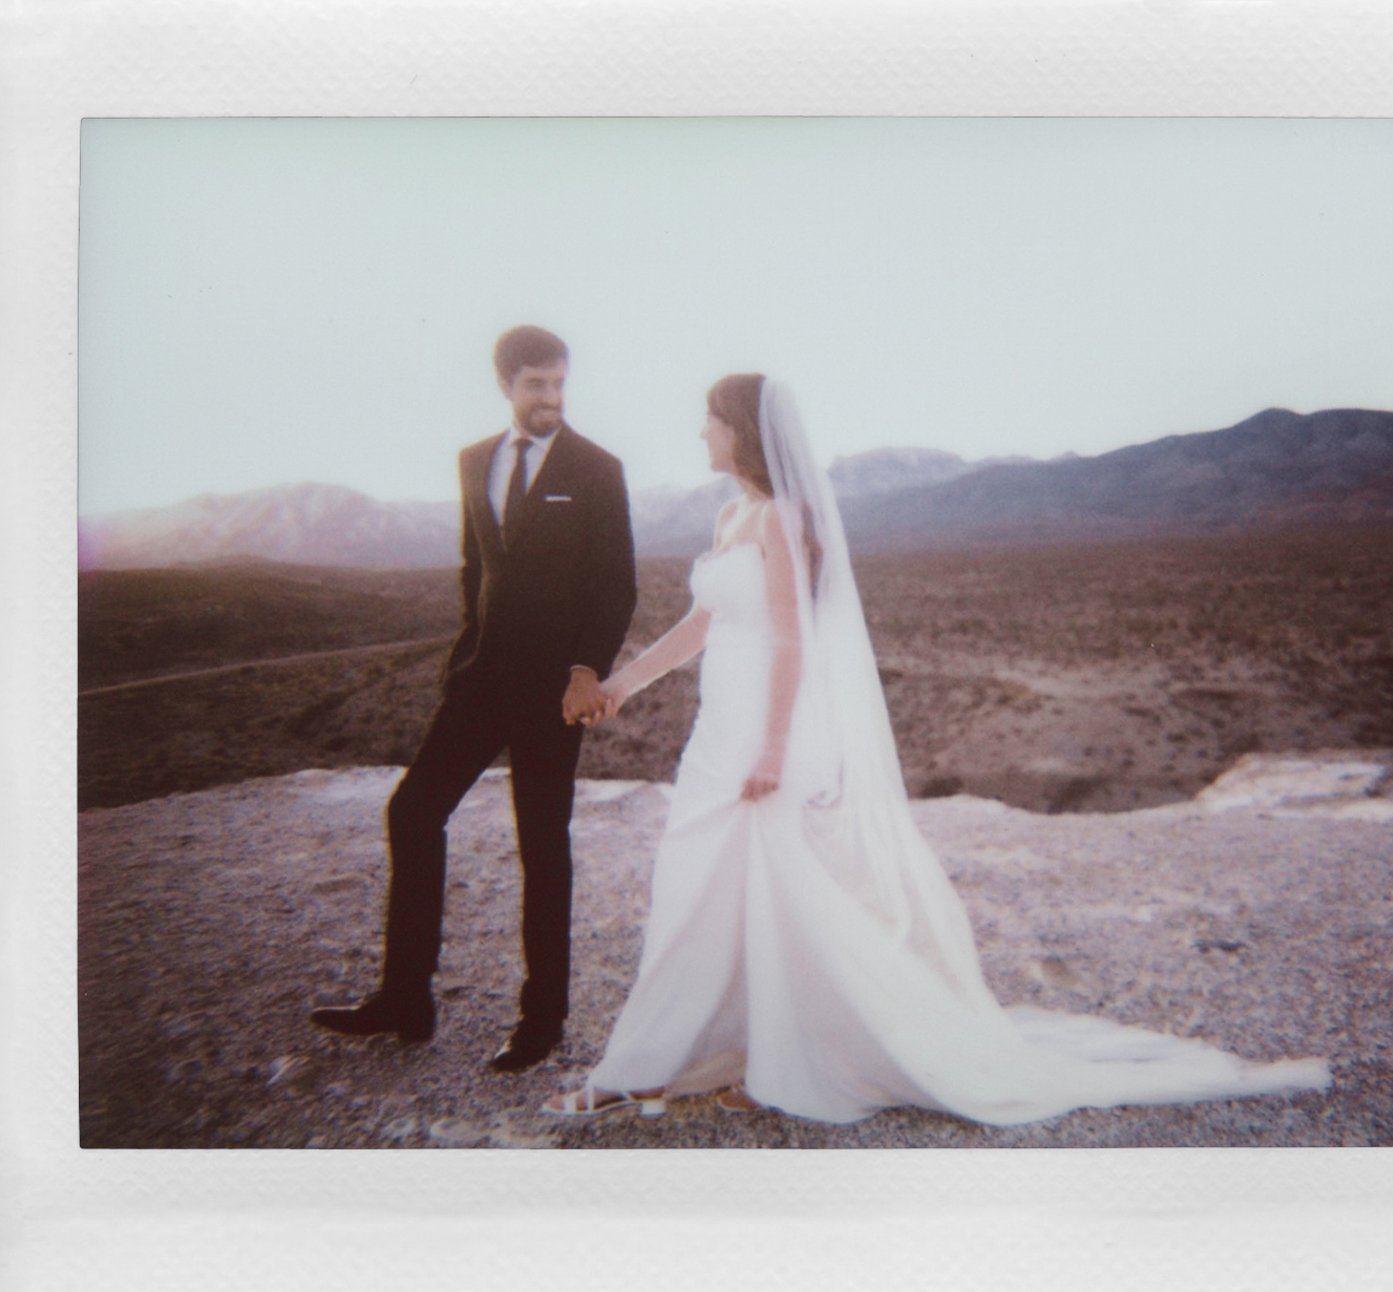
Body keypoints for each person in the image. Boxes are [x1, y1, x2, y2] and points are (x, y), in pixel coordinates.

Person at [544, 374, 1327, 1122]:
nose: (700, 431)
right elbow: (703, 625)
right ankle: (721, 1055)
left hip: (768, 730)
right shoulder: (729, 518)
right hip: (720, 728)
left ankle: (693, 1068)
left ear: (740, 429)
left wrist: (776, 749)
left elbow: (790, 638)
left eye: (711, 418)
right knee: (708, 892)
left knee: (775, 898)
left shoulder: (782, 517)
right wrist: (624, 684)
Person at [312, 326, 637, 1072]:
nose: (551, 398)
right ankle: (404, 999)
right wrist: (463, 658)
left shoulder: (597, 468)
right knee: (413, 810)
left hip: (555, 691)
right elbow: (475, 568)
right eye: (536, 385)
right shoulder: (472, 462)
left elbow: (617, 582)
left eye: (559, 383)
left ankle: (542, 1018)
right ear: (505, 385)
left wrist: (587, 670)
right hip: (480, 683)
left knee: (541, 845)